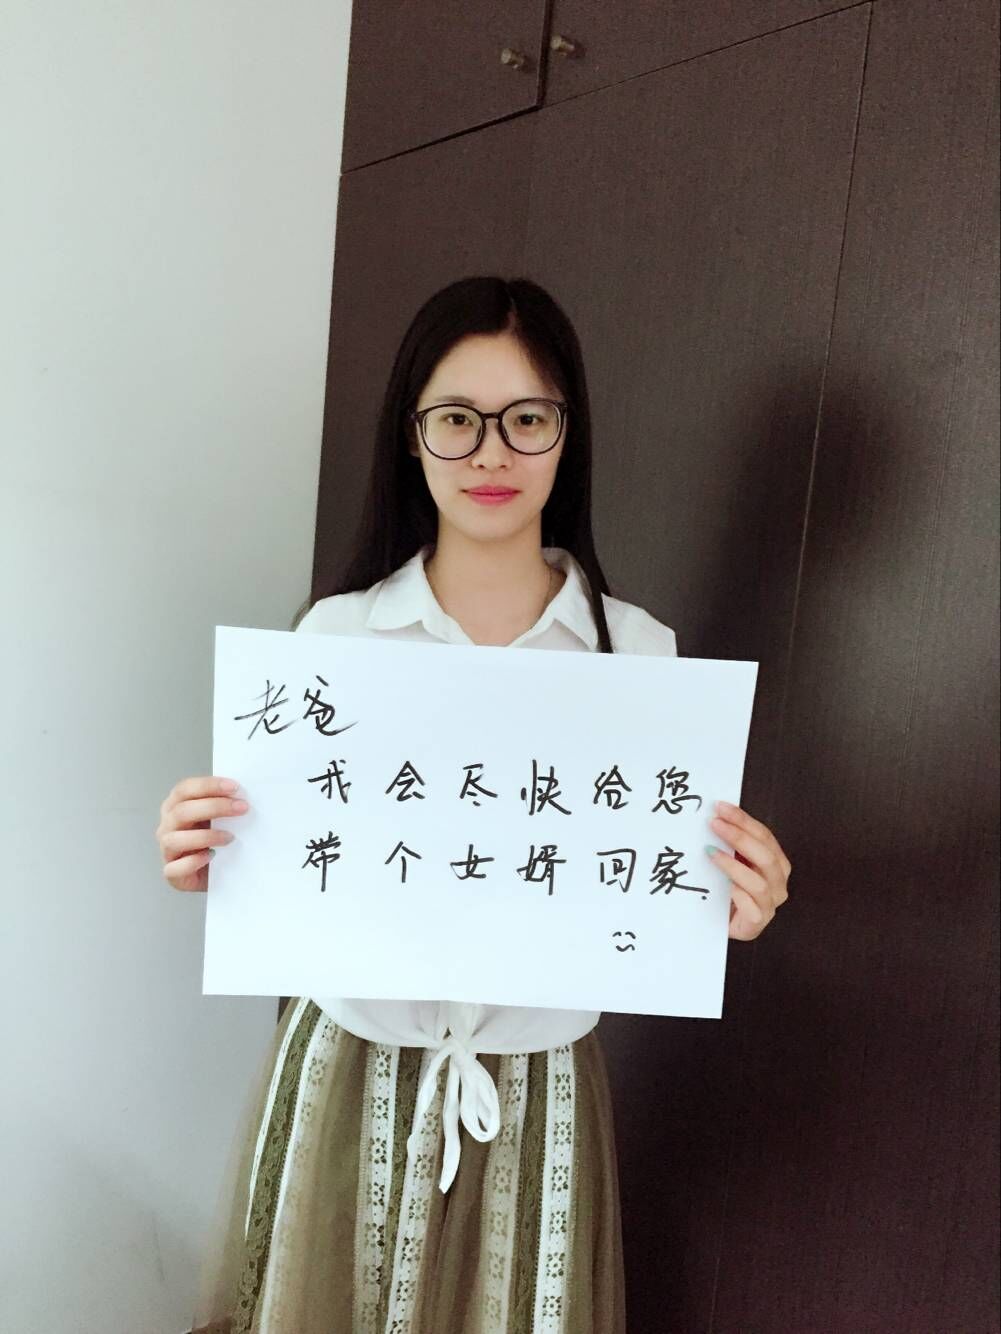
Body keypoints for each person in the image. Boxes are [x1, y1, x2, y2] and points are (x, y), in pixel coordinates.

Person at [157, 276, 791, 1334]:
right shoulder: (337, 638)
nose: (490, 453)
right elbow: (280, 855)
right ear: (410, 436)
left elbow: (657, 888)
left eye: (525, 419)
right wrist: (205, 850)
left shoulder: (638, 656)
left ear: (566, 434)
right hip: (347, 1074)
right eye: (456, 419)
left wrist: (729, 902)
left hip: (535, 1094)